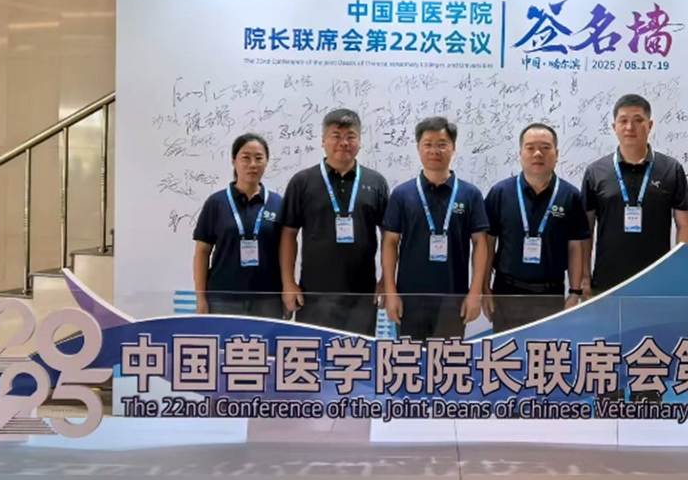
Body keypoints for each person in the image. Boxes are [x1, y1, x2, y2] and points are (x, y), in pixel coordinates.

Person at [280, 108, 389, 335]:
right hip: (314, 293)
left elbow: (389, 237)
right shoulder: (302, 182)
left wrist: (386, 280)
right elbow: (288, 235)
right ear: (323, 140)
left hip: (362, 295)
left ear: (359, 141)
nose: (344, 143)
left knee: (358, 354)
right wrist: (288, 283)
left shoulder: (376, 182)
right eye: (336, 136)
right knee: (314, 353)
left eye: (350, 136)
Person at [381, 117, 489, 339]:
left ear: (453, 147)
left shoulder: (470, 194)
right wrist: (391, 292)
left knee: (448, 358)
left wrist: (475, 292)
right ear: (418, 148)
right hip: (409, 298)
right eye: (428, 144)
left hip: (454, 297)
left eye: (442, 144)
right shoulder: (402, 194)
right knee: (410, 357)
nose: (434, 150)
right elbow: (390, 242)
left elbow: (480, 243)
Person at [582, 94, 688, 294]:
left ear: (650, 125)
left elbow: (684, 224)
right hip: (607, 283)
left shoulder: (671, 169)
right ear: (614, 127)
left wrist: (681, 272)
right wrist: (583, 277)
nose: (630, 127)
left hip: (658, 282)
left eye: (638, 120)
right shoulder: (596, 172)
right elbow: (585, 231)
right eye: (623, 121)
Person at [483, 123, 589, 333]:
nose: (538, 153)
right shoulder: (500, 193)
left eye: (545, 148)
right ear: (520, 153)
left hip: (550, 294)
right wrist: (484, 286)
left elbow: (575, 247)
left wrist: (575, 291)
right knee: (507, 351)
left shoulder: (570, 196)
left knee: (545, 352)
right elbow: (488, 243)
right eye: (530, 147)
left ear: (557, 154)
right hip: (506, 292)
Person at [192, 133, 283, 316]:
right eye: (245, 158)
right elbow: (202, 252)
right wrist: (201, 298)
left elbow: (285, 252)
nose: (252, 164)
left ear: (266, 162)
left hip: (268, 299)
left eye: (259, 158)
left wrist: (286, 293)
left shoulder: (277, 203)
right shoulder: (216, 203)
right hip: (223, 299)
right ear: (234, 161)